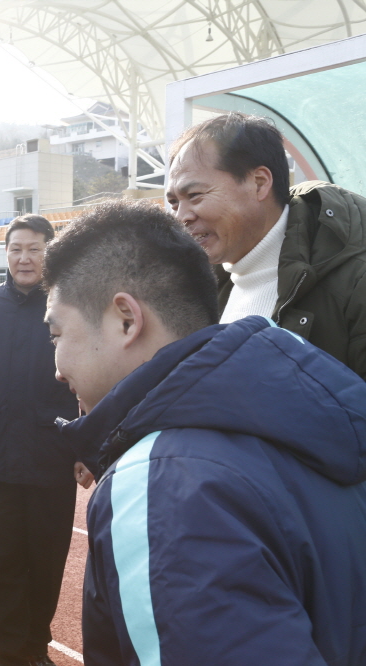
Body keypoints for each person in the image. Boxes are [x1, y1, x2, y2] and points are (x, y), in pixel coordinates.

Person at [43, 198, 366, 665]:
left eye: (57, 334)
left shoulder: (161, 485)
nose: (56, 367)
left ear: (126, 319)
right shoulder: (305, 413)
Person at [166, 111, 366, 378]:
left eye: (194, 195)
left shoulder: (355, 283)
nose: (182, 217)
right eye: (174, 203)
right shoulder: (197, 292)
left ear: (259, 183)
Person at [0, 215, 81, 666]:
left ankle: (36, 645)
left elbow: (88, 382)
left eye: (34, 248)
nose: (24, 257)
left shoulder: (70, 304)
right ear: (6, 254)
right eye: (16, 248)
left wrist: (86, 446)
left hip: (53, 457)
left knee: (48, 564)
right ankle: (14, 654)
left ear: (50, 252)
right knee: (2, 565)